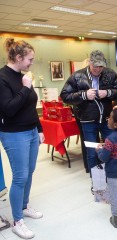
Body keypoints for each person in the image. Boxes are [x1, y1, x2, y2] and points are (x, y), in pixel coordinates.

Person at [0, 38, 44, 239]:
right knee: (20, 177)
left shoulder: (23, 76)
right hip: (14, 133)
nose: (31, 63)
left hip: (32, 132)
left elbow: (30, 105)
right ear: (18, 58)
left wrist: (40, 128)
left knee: (30, 172)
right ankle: (18, 221)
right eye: (29, 59)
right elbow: (8, 110)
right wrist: (25, 88)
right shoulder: (2, 78)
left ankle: (24, 206)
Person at [60, 50, 117, 175]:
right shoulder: (78, 76)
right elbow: (64, 95)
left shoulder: (110, 74)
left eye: (101, 66)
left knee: (111, 147)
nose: (98, 69)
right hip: (87, 120)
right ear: (89, 62)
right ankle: (96, 180)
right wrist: (84, 95)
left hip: (107, 119)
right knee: (91, 151)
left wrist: (108, 93)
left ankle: (111, 175)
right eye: (95, 66)